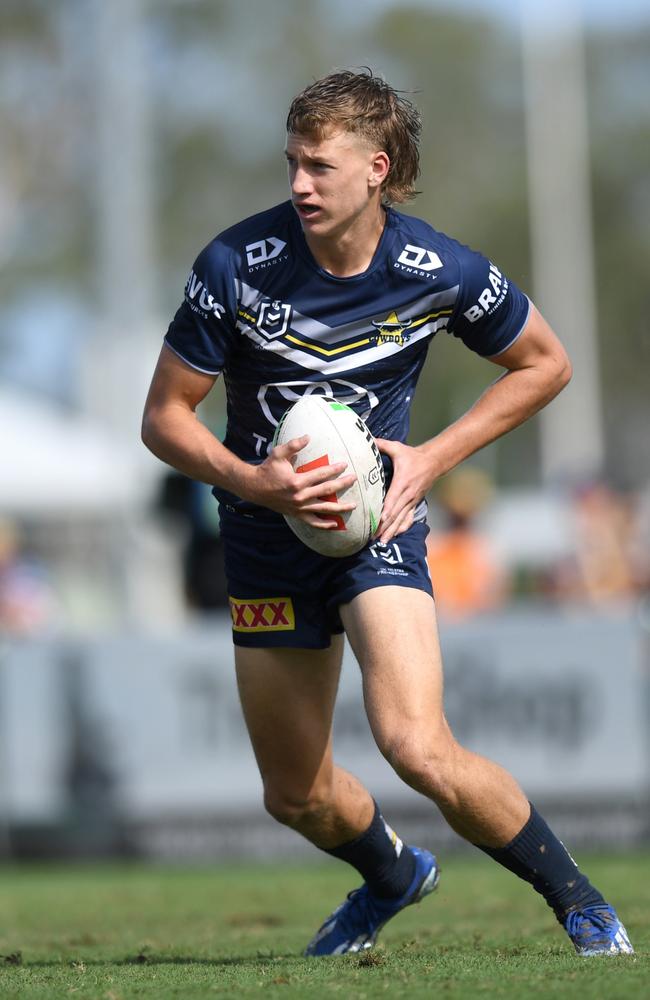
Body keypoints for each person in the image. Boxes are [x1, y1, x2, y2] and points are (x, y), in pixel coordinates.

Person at [142, 69, 633, 957]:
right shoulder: (236, 267)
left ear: (376, 168)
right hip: (260, 537)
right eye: (291, 162)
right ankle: (393, 872)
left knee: (416, 743)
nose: (297, 184)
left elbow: (546, 364)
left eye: (318, 166)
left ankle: (582, 904)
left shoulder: (437, 268)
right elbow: (164, 418)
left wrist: (432, 459)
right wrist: (253, 483)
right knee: (294, 797)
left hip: (379, 531)